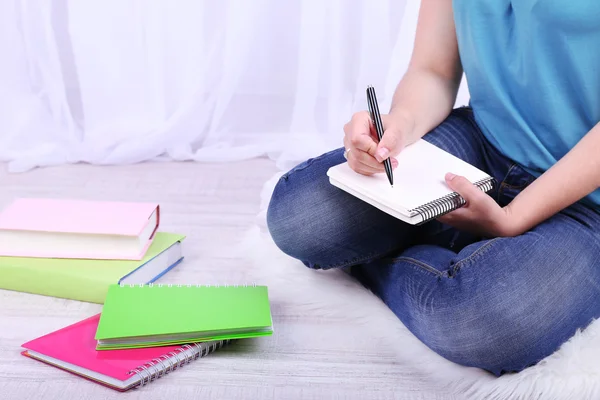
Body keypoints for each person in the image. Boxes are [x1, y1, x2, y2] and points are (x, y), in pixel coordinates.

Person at [266, 0, 600, 376]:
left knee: (480, 322)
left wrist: (514, 217)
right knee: (302, 217)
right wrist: (397, 129)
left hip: (589, 202)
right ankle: (459, 255)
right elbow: (433, 71)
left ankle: (409, 256)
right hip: (483, 143)